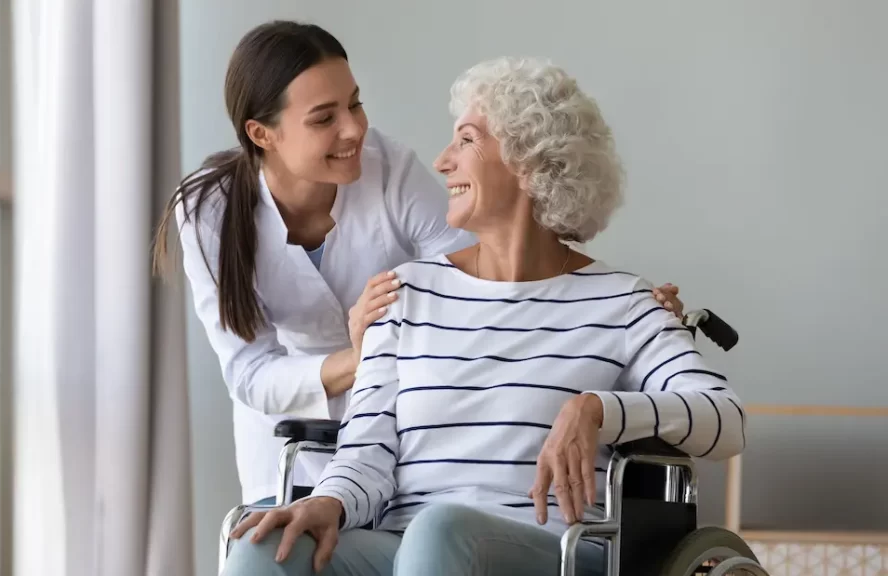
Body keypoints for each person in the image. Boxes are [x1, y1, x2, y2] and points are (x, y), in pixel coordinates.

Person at [222, 57, 747, 576]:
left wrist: (599, 410)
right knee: (262, 546)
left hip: (555, 551)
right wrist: (329, 502)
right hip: (404, 544)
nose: (443, 160)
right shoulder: (405, 295)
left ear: (531, 160)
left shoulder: (623, 303)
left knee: (441, 531)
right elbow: (366, 454)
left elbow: (725, 421)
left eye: (466, 140)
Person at [152, 20, 686, 507]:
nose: (354, 130)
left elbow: (484, 276)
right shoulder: (206, 213)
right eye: (324, 118)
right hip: (290, 439)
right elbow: (249, 372)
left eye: (355, 104)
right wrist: (357, 357)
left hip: (404, 429)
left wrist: (620, 307)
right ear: (261, 134)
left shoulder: (386, 168)